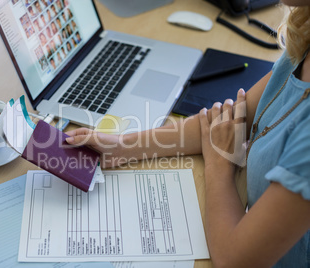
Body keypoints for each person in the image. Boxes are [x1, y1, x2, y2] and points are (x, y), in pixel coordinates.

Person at [65, 1, 310, 267]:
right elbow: (220, 124)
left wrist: (219, 166)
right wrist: (122, 146)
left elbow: (233, 260)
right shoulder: (303, 42)